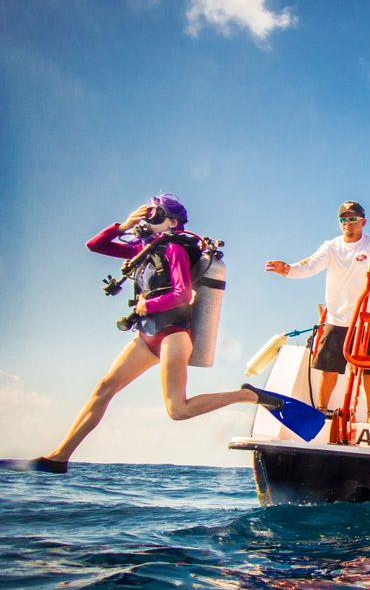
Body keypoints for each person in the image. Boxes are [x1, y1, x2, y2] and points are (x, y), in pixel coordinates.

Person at [3, 195, 265, 474]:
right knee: (104, 388)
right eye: (148, 212)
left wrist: (147, 305)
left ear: (172, 222)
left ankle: (244, 396)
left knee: (178, 410)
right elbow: (95, 245)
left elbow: (182, 294)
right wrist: (124, 226)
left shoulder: (174, 248)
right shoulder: (142, 249)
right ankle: (59, 458)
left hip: (173, 334)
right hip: (147, 334)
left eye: (156, 214)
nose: (149, 218)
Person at [265, 201, 370, 424]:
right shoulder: (331, 247)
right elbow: (310, 265)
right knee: (328, 368)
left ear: (363, 222)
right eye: (344, 219)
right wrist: (288, 270)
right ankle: (321, 411)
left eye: (353, 218)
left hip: (369, 317)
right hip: (338, 317)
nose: (348, 223)